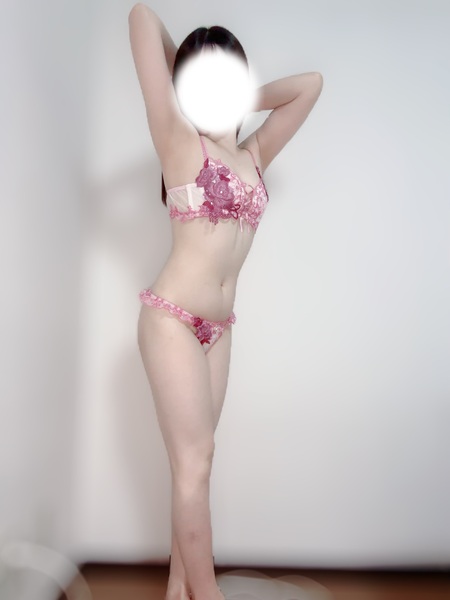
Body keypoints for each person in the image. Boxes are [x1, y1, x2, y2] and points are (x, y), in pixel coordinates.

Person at [128, 4, 323, 600]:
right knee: (194, 464)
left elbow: (309, 86)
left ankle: (177, 587)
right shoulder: (178, 140)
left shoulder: (253, 154)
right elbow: (141, 16)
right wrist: (186, 79)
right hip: (171, 321)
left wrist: (240, 99)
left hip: (219, 330)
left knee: (194, 468)